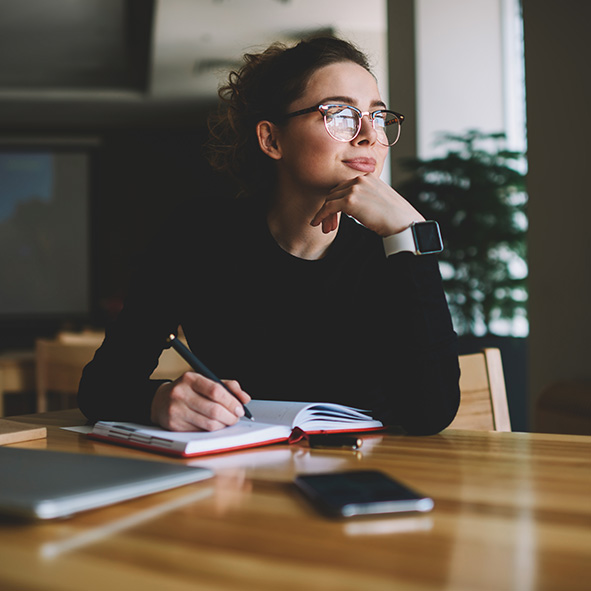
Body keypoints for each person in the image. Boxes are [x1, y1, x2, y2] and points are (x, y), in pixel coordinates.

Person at [78, 36, 460, 436]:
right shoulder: (197, 236)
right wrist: (157, 401)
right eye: (340, 113)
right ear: (271, 139)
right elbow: (100, 387)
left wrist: (409, 235)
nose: (368, 134)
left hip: (365, 476)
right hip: (236, 476)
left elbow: (430, 415)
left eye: (378, 117)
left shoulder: (392, 254)